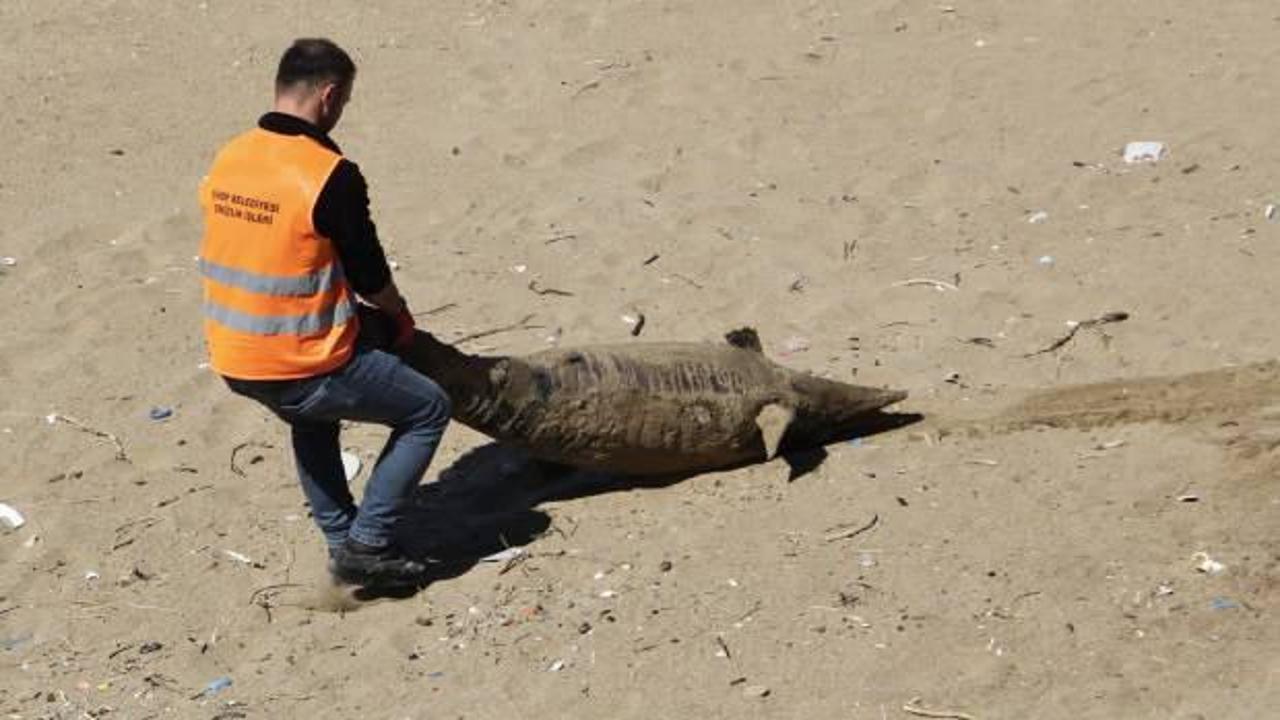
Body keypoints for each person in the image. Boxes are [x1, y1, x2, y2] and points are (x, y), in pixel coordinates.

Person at [197, 38, 451, 587]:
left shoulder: (231, 154)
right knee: (426, 410)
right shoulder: (328, 173)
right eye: (345, 101)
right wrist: (400, 316)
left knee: (311, 417)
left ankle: (341, 539)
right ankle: (369, 541)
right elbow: (369, 273)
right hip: (301, 358)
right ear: (330, 95)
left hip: (234, 354)